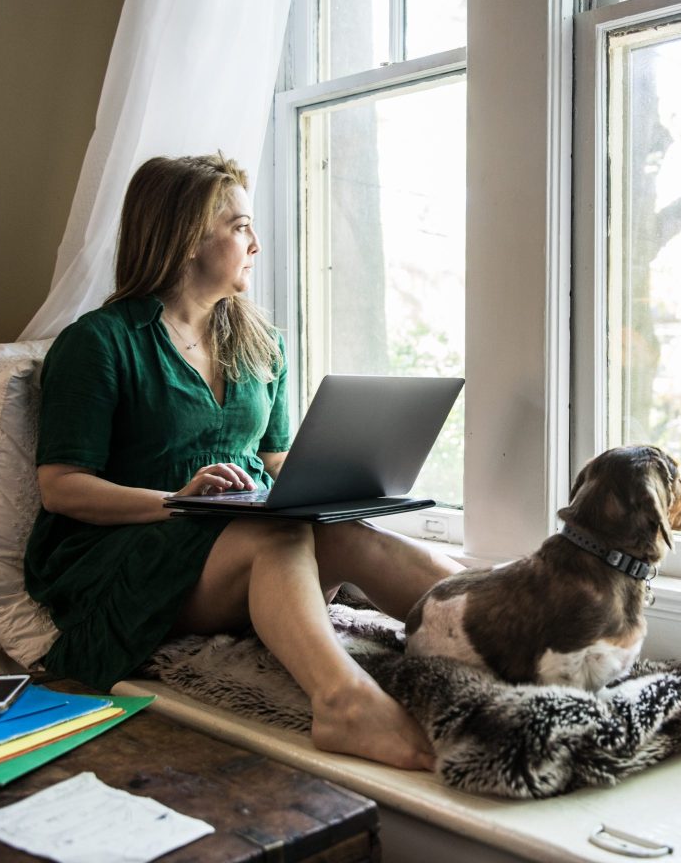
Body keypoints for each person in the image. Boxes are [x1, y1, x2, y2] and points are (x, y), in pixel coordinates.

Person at [23, 153, 460, 770]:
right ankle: (343, 701)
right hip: (128, 551)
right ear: (186, 237)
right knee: (275, 536)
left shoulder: (261, 341)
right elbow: (61, 488)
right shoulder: (98, 343)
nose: (254, 243)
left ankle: (516, 629)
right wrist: (179, 501)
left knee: (353, 536)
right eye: (240, 226)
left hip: (239, 531)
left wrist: (334, 486)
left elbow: (274, 455)